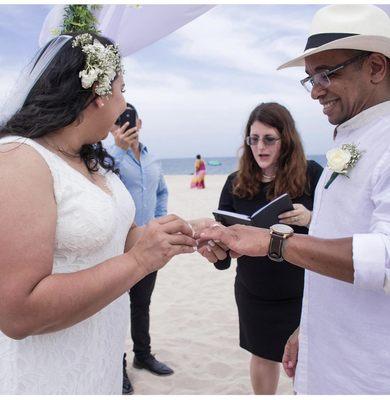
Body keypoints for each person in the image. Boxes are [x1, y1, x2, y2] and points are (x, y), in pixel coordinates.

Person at [198, 4, 390, 395]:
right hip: (324, 352)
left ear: (375, 67)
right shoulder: (352, 136)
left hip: (365, 371)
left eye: (326, 73)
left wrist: (275, 242)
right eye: (310, 78)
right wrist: (309, 325)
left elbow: (385, 259)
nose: (316, 89)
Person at [0, 32, 197, 395]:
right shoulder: (20, 159)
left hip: (98, 359)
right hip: (47, 373)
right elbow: (17, 312)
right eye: (122, 89)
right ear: (97, 95)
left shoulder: (91, 160)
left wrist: (181, 232)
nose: (125, 103)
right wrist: (140, 262)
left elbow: (116, 239)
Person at [213, 102, 322, 394]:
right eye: (253, 139)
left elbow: (337, 231)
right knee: (261, 356)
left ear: (285, 139)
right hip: (254, 291)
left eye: (269, 139)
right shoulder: (235, 183)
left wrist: (311, 218)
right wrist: (219, 247)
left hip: (302, 291)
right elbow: (222, 250)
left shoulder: (312, 174)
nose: (260, 147)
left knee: (306, 361)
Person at [104, 103, 173, 395]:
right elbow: (102, 185)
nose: (125, 126)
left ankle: (142, 356)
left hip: (149, 244)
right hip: (118, 247)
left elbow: (162, 191)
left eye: (129, 120)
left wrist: (157, 221)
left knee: (141, 304)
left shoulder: (152, 158)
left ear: (140, 122)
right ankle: (116, 367)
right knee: (117, 308)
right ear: (111, 126)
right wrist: (117, 149)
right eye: (118, 122)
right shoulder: (107, 157)